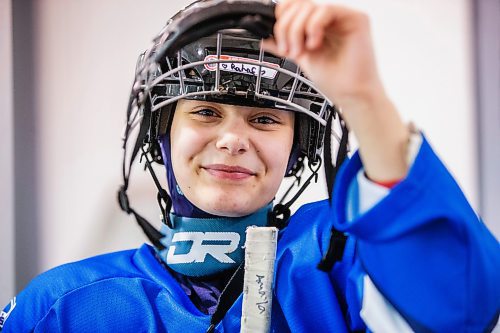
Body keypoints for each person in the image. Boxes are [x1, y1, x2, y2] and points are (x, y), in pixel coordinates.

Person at [1, 0, 499, 332]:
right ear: (161, 134)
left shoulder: (340, 259)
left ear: (297, 147)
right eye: (205, 111)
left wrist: (364, 97)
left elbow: (462, 307)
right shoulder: (62, 305)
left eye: (264, 118)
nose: (234, 139)